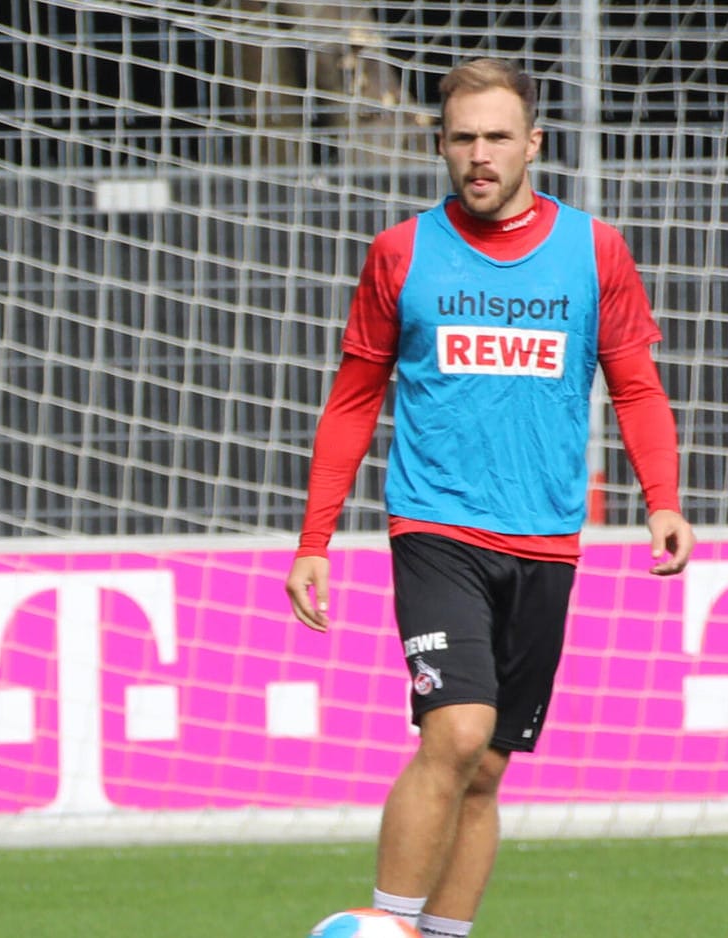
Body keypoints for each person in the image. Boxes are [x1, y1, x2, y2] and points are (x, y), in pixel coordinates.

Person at [284, 57, 694, 938]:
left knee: (489, 768)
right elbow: (352, 398)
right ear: (439, 145)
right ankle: (385, 925)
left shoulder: (593, 250)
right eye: (463, 137)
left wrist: (660, 497)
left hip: (546, 538)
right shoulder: (400, 253)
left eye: (497, 136)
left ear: (531, 144)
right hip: (435, 527)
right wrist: (314, 539)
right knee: (458, 730)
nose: (480, 154)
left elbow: (635, 386)